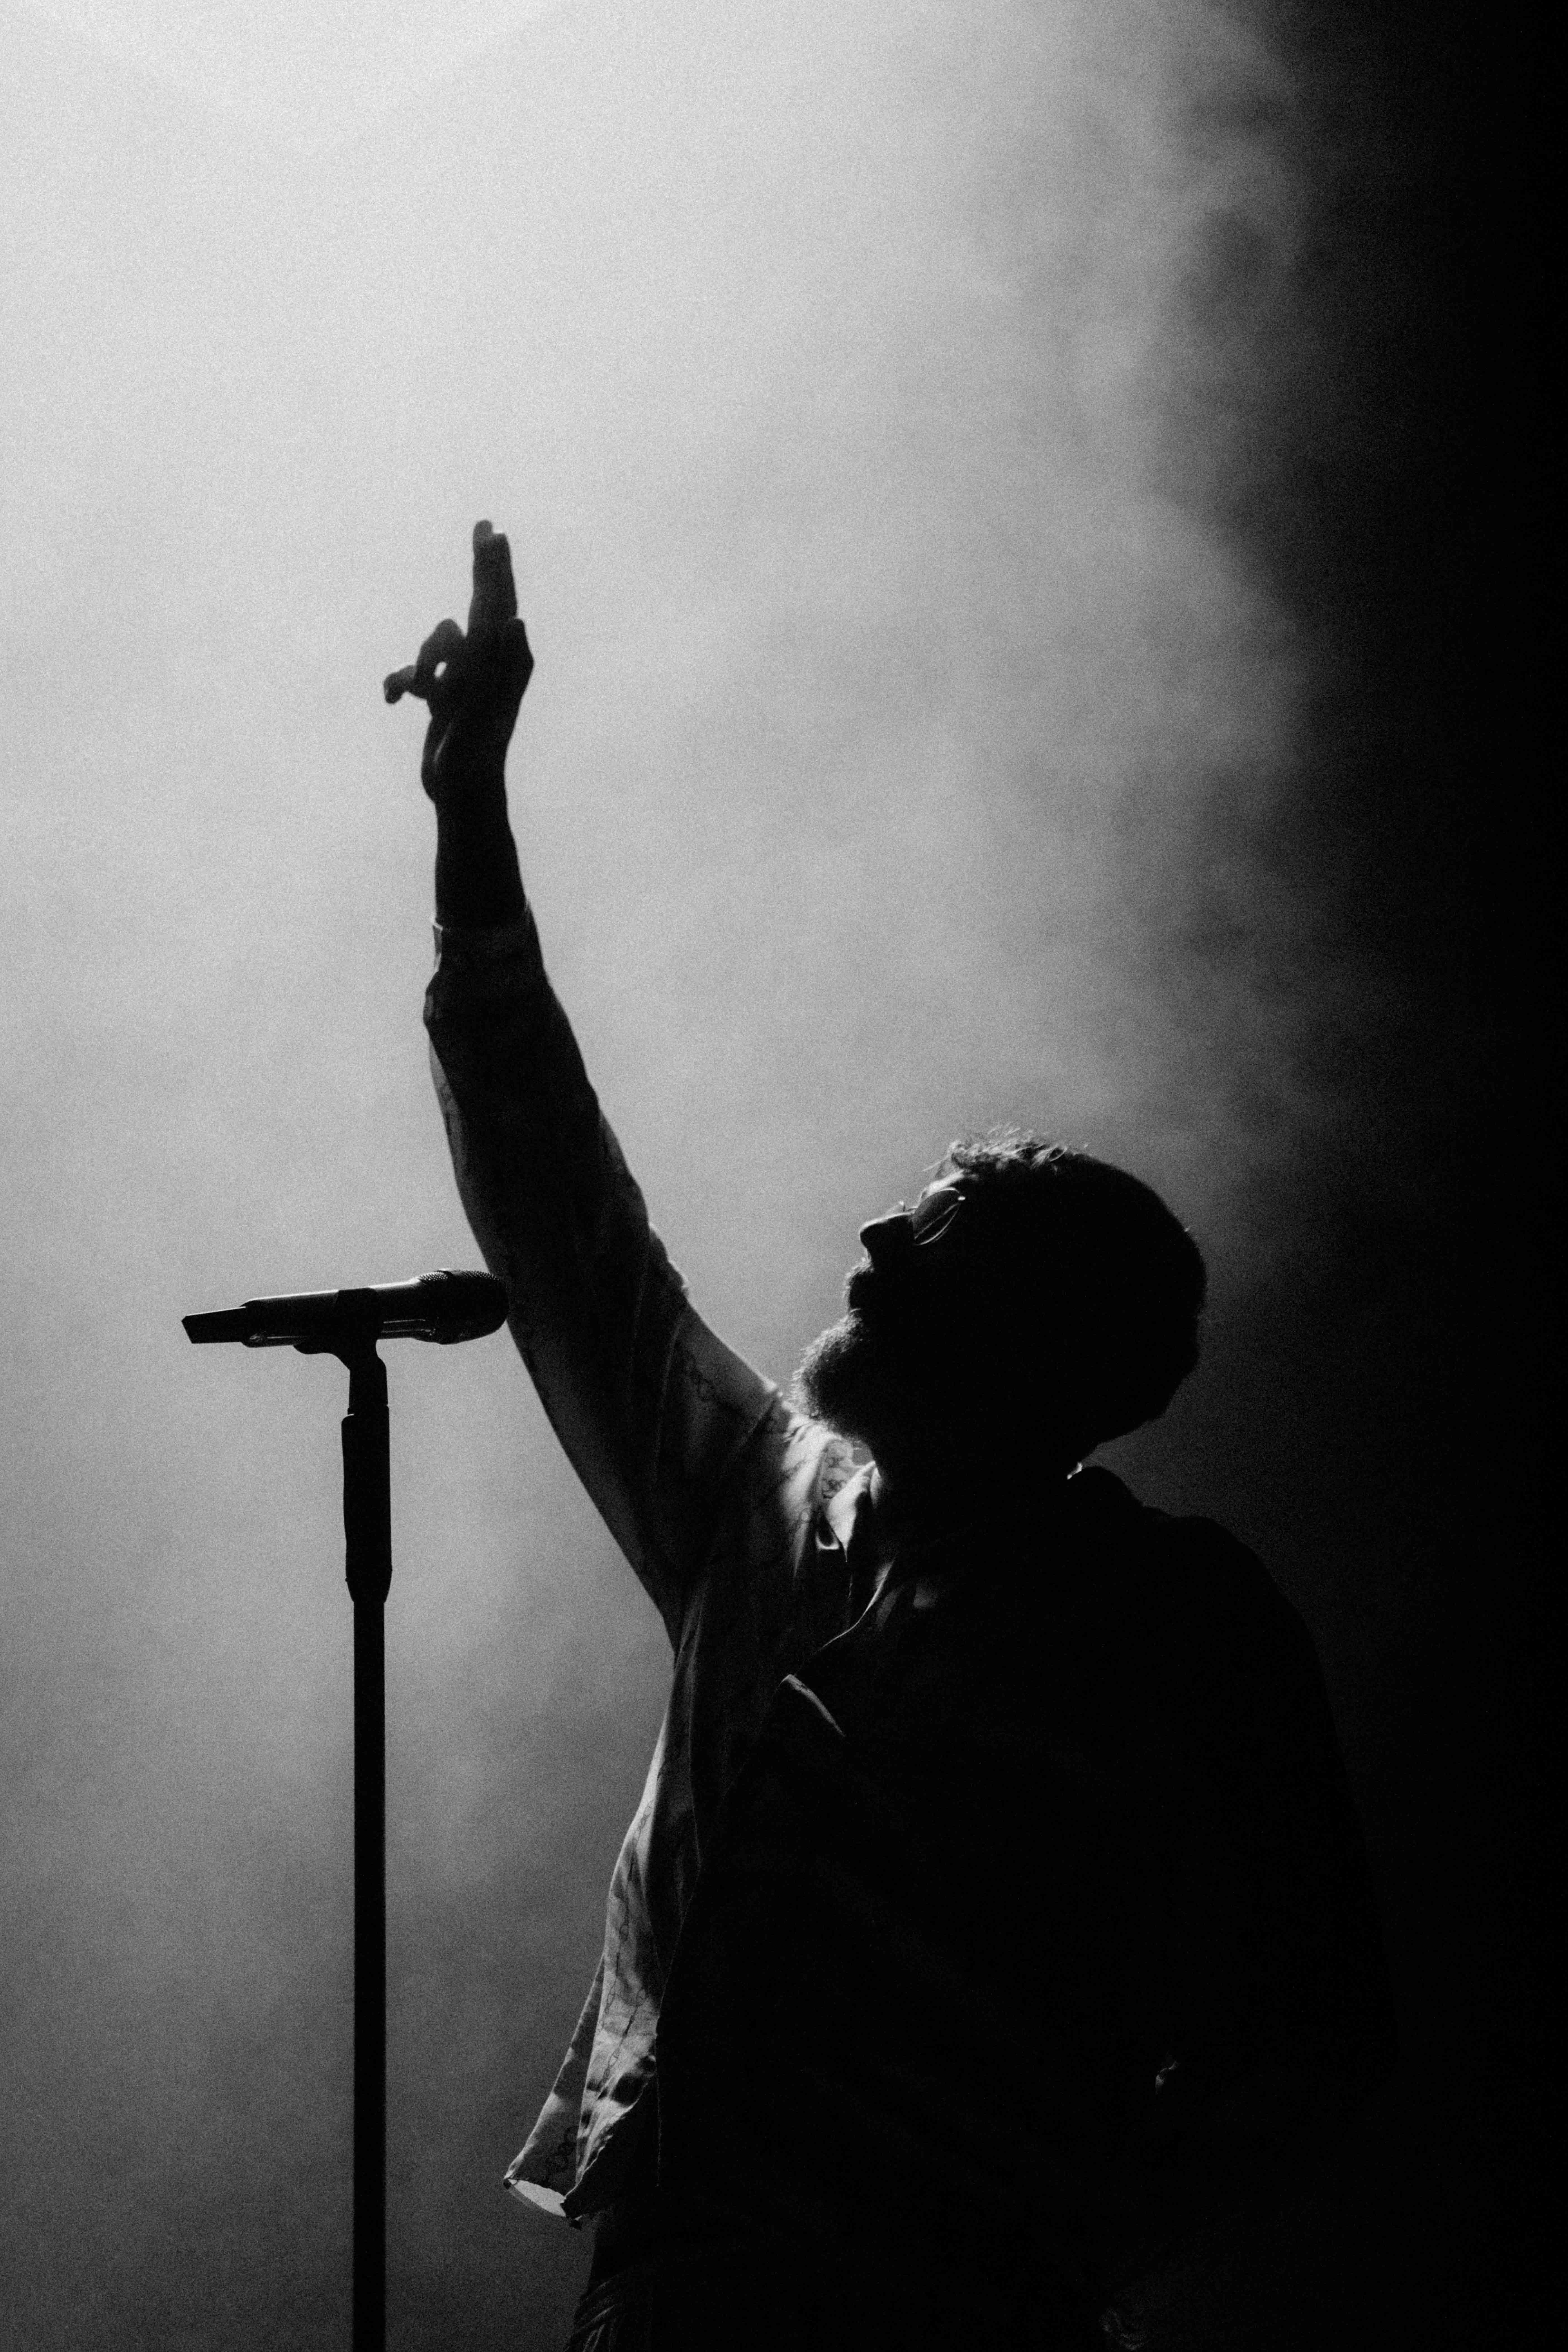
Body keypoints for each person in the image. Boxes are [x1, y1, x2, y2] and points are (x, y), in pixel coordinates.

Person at [387, 524, 1396, 2351]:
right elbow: (562, 1224)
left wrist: (1059, 2242)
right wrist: (471, 828)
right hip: (672, 2295)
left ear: (1035, 1345)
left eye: (932, 1238)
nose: (868, 1244)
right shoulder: (774, 1513)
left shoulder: (1174, 1627)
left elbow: (1314, 2039)